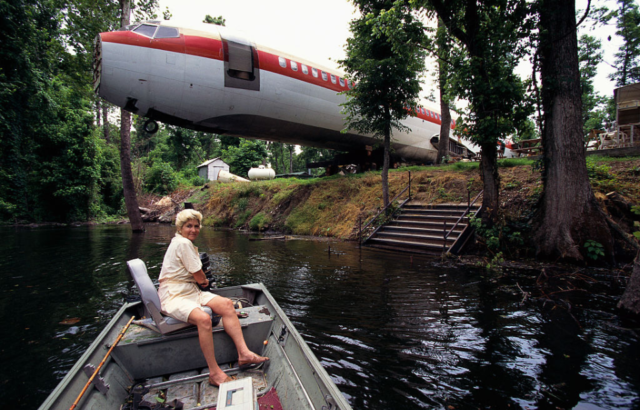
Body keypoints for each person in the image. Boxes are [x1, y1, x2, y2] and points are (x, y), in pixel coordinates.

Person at [158, 209, 268, 386]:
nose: (193, 230)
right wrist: (204, 281)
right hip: (174, 295)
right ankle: (214, 372)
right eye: (189, 226)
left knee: (226, 304)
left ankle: (244, 354)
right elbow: (200, 277)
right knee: (204, 318)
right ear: (180, 228)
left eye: (196, 226)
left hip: (190, 291)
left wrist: (201, 282)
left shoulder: (181, 242)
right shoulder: (183, 244)